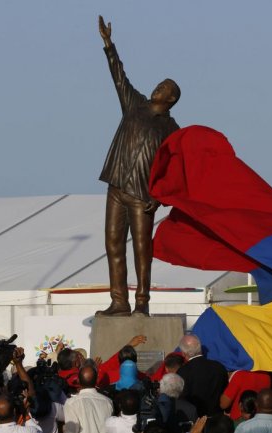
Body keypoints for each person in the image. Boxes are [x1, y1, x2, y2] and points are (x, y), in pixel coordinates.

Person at [95, 15, 181, 317]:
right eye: (159, 84)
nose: (158, 87)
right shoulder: (134, 104)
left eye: (164, 87)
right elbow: (119, 77)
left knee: (142, 250)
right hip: (117, 185)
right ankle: (119, 300)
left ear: (171, 99)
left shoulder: (172, 130)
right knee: (113, 244)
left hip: (143, 196)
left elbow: (175, 171)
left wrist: (159, 199)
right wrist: (109, 45)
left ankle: (142, 302)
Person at [176, 335, 228, 417]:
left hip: (194, 420)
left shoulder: (182, 372)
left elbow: (180, 398)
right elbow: (225, 392)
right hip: (217, 419)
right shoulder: (218, 367)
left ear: (183, 353)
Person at [63, 366, 113, 433]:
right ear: (96, 381)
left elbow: (71, 431)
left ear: (78, 381)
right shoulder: (108, 402)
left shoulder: (71, 403)